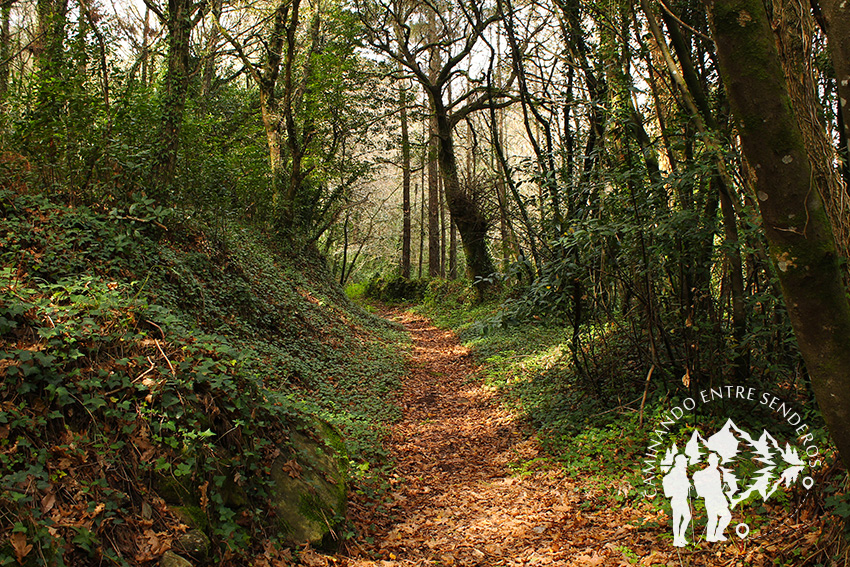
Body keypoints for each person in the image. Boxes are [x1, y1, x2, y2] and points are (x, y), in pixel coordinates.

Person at [693, 452, 732, 542]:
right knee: (713, 518)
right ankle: (710, 536)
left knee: (726, 516)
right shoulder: (706, 473)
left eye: (716, 461)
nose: (715, 462)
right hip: (711, 498)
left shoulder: (716, 472)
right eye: (713, 461)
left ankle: (718, 533)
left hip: (718, 497)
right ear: (710, 462)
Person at [662, 454, 692, 547]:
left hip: (682, 498)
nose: (686, 464)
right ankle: (676, 539)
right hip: (677, 499)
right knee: (677, 519)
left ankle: (681, 536)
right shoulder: (675, 472)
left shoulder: (682, 472)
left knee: (687, 517)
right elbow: (668, 480)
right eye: (684, 462)